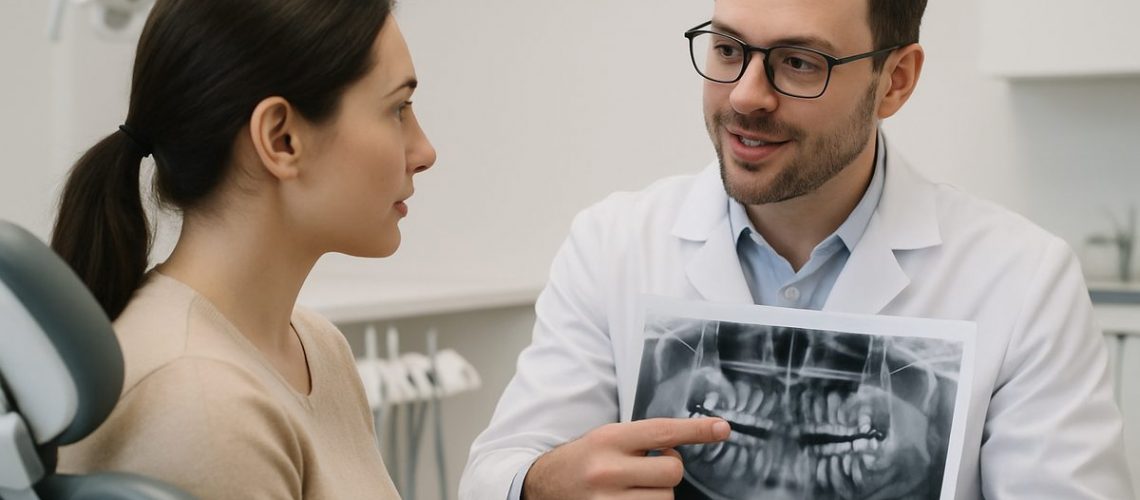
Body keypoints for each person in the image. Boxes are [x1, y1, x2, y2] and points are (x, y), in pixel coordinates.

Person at [460, 0, 1135, 498]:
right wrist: (543, 483)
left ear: (895, 80)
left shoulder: (1022, 279)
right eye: (728, 50)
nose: (747, 96)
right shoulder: (612, 245)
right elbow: (493, 472)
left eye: (798, 63)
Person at [52, 0, 436, 497]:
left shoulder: (317, 347)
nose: (425, 151)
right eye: (397, 109)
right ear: (281, 139)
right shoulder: (201, 402)